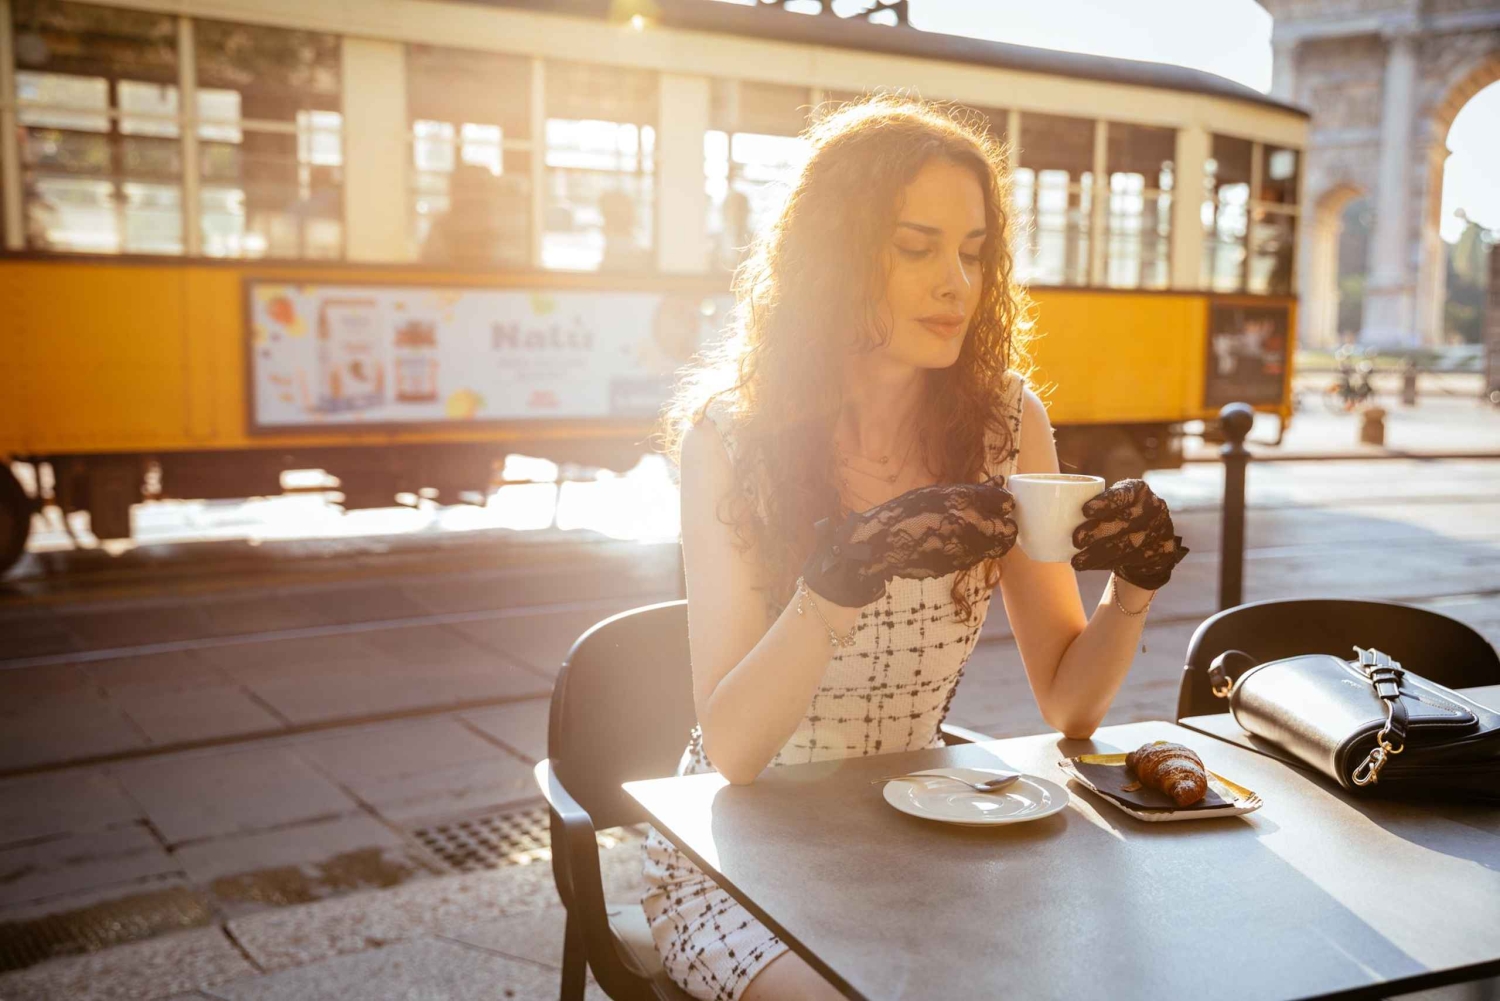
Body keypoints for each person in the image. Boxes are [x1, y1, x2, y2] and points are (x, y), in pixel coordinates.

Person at [647, 96, 1189, 1001]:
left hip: (921, 824)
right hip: (741, 850)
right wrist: (841, 580)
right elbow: (736, 749)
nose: (958, 283)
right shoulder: (731, 439)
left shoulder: (1007, 422)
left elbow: (1068, 704)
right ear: (835, 257)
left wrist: (1134, 584)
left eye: (974, 251)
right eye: (917, 247)